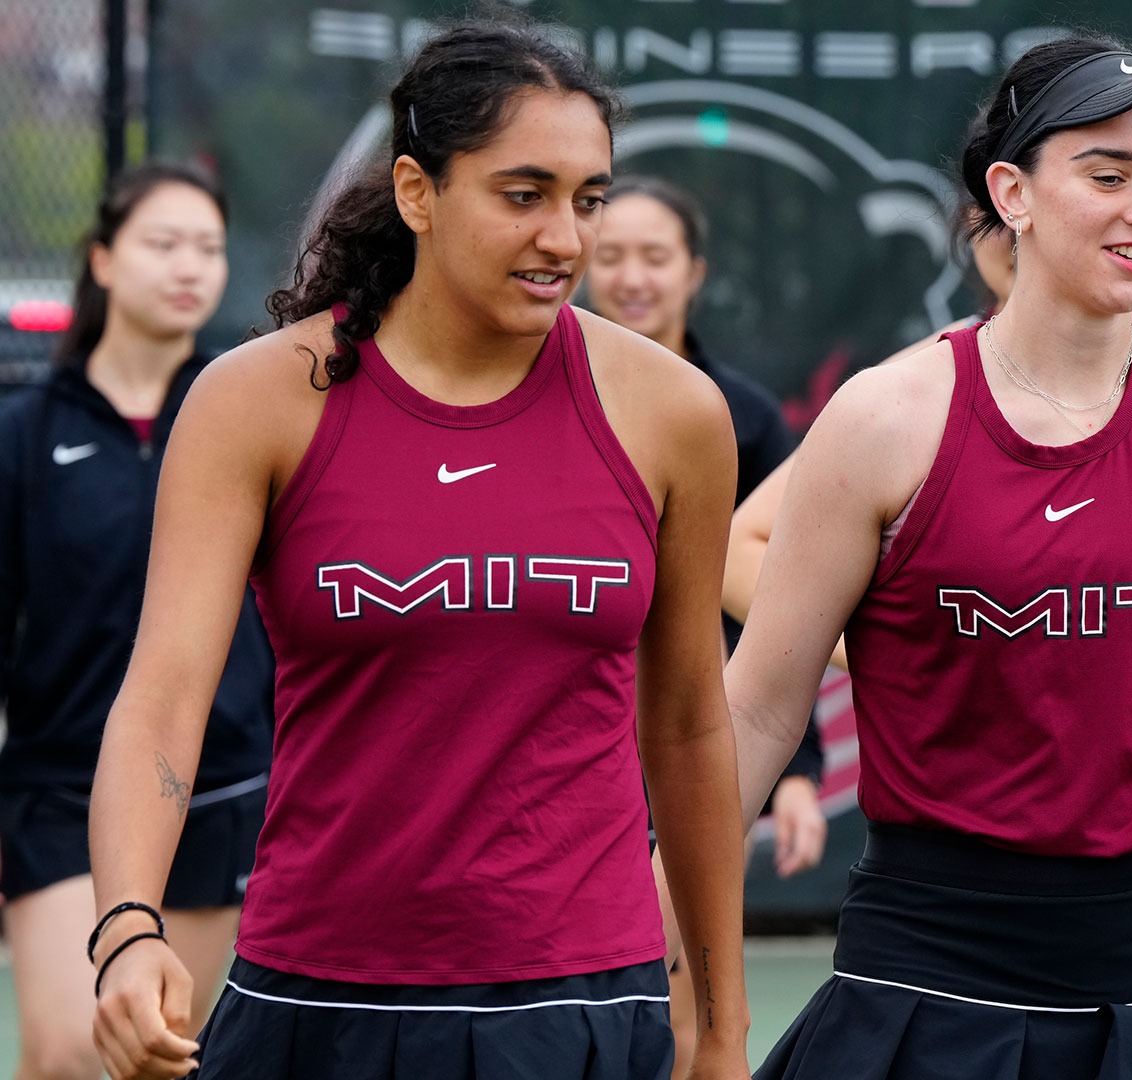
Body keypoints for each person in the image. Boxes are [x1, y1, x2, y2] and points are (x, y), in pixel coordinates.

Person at [82, 20, 750, 1080]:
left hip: (586, 1006)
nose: (566, 240)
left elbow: (686, 729)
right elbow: (164, 699)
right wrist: (126, 926)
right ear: (417, 191)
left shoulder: (674, 415)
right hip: (315, 1002)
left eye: (588, 199)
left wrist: (720, 1027)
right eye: (522, 195)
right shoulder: (256, 403)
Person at [726, 35, 1132, 1078]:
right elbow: (759, 706)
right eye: (1107, 174)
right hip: (927, 965)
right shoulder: (884, 418)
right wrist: (667, 916)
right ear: (1012, 193)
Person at [0, 162, 270, 1080]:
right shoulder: (25, 435)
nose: (189, 268)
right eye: (163, 244)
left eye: (207, 248)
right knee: (68, 1054)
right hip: (60, 793)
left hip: (223, 788)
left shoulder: (248, 413)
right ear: (103, 261)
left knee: (161, 1057)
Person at [584, 175, 826, 1080]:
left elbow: (790, 599)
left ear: (695, 272)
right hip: (574, 749)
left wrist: (793, 774)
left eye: (655, 256)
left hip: (694, 744)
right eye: (611, 256)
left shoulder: (742, 419)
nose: (631, 277)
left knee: (684, 1016)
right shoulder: (537, 399)